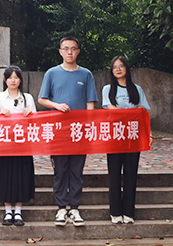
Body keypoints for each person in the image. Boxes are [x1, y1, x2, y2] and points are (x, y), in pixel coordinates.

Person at [38, 34, 98, 227]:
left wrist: (89, 127)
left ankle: (75, 208)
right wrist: (56, 106)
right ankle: (61, 208)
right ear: (60, 51)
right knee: (60, 169)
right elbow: (42, 99)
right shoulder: (52, 73)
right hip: (58, 131)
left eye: (73, 49)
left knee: (76, 170)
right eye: (66, 48)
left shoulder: (86, 74)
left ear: (78, 52)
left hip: (79, 131)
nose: (69, 52)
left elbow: (90, 103)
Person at [102, 55, 152, 225]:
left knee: (131, 175)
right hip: (114, 137)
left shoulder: (137, 89)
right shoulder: (107, 89)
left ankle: (129, 212)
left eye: (121, 66)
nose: (118, 69)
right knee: (114, 175)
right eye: (115, 67)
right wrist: (132, 112)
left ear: (127, 69)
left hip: (133, 137)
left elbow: (144, 113)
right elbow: (111, 110)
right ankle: (115, 212)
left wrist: (148, 133)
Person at [0, 65, 36, 227]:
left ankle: (18, 212)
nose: (13, 80)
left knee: (21, 176)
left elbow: (35, 120)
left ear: (20, 80)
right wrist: (1, 115)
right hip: (4, 144)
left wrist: (29, 114)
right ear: (5, 80)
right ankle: (7, 211)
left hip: (23, 144)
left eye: (16, 77)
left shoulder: (28, 98)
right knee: (5, 176)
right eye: (10, 78)